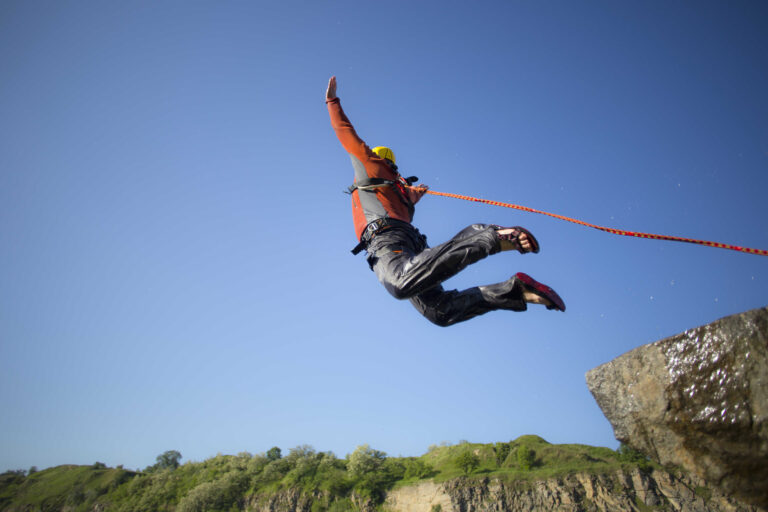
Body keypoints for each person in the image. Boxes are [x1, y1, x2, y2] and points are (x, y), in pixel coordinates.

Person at [326, 76, 565, 326]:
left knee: (399, 284)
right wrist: (412, 198)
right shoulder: (398, 189)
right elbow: (398, 210)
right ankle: (515, 291)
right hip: (407, 243)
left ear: (376, 156)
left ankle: (487, 236)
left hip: (387, 240)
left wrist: (332, 101)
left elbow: (345, 131)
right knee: (440, 312)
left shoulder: (369, 164)